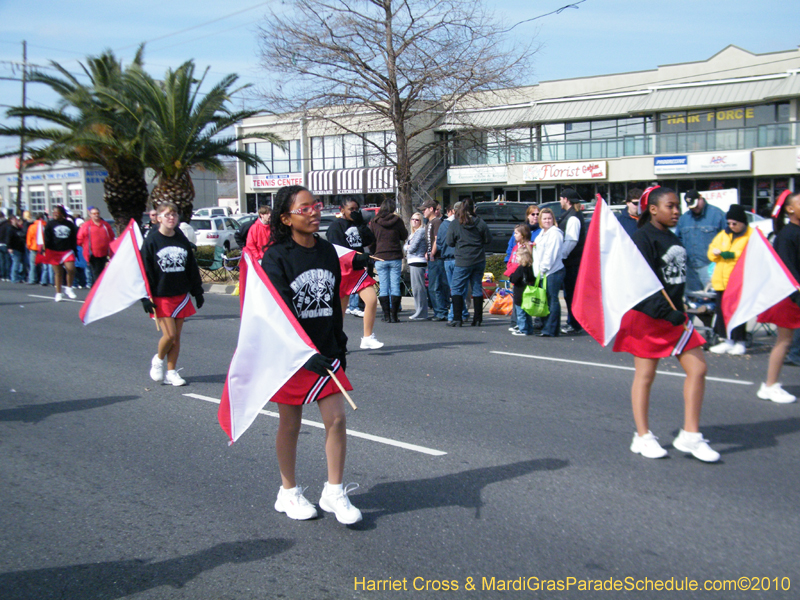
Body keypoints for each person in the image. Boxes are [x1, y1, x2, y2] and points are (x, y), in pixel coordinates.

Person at [262, 185, 362, 525]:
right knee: (290, 424)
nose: (314, 212)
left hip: (325, 350)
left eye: (316, 206)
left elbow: (334, 300)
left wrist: (339, 341)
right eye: (304, 209)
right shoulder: (276, 256)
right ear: (286, 218)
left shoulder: (326, 251)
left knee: (336, 418)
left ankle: (333, 492)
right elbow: (277, 310)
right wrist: (301, 353)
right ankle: (288, 491)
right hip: (290, 355)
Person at [613, 187, 720, 462]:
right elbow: (638, 286)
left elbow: (676, 280)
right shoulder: (641, 238)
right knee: (646, 376)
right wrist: (664, 311)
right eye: (670, 206)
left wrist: (682, 308)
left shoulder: (672, 237)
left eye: (677, 207)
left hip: (674, 316)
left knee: (698, 368)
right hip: (648, 317)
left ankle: (690, 435)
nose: (676, 211)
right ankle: (642, 435)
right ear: (653, 209)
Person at [140, 202, 205, 387]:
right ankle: (158, 360)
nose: (171, 217)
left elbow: (191, 266)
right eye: (167, 214)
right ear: (159, 217)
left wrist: (197, 291)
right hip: (160, 295)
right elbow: (143, 270)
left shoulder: (181, 239)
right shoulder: (152, 240)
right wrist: (144, 296)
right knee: (169, 335)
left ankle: (171, 372)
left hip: (181, 294)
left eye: (174, 214)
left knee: (176, 338)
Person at [754, 191, 800, 404]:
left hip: (793, 294)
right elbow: (787, 268)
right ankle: (770, 385)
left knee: (785, 341)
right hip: (789, 295)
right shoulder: (788, 234)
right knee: (784, 341)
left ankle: (770, 385)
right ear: (790, 209)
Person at [325, 197, 384, 349]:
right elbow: (338, 251)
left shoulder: (357, 225)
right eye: (351, 209)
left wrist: (361, 224)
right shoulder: (335, 227)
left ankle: (367, 337)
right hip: (342, 272)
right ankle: (334, 341)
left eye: (356, 209)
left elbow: (369, 240)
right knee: (340, 312)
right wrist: (357, 258)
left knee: (371, 300)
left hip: (357, 271)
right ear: (342, 210)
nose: (354, 212)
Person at [707, 204, 753, 356]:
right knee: (722, 312)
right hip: (721, 281)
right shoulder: (723, 234)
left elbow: (743, 255)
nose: (731, 226)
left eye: (735, 223)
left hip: (739, 282)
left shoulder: (751, 235)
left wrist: (726, 254)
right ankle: (726, 340)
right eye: (729, 223)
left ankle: (740, 341)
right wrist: (717, 253)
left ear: (743, 222)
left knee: (738, 312)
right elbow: (711, 252)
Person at [445, 197, 492, 327]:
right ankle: (477, 319)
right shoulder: (480, 223)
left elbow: (449, 241)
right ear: (473, 209)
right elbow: (488, 239)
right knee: (476, 287)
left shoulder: (455, 223)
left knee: (456, 288)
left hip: (462, 259)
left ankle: (457, 318)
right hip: (478, 259)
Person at [675, 189, 726, 293]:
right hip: (690, 270)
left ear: (701, 198)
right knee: (694, 302)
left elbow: (727, 239)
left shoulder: (717, 215)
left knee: (713, 299)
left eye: (696, 204)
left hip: (711, 268)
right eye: (691, 206)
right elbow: (678, 240)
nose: (694, 208)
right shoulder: (684, 218)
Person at [368, 198, 408, 323]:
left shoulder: (374, 222)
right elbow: (404, 235)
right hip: (395, 255)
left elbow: (371, 241)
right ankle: (395, 316)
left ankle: (386, 315)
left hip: (380, 256)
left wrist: (374, 252)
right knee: (395, 285)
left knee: (384, 286)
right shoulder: (398, 221)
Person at [533, 208, 566, 337]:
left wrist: (544, 268)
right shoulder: (542, 233)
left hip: (552, 271)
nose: (547, 221)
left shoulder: (555, 233)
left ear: (553, 219)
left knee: (552, 300)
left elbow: (551, 254)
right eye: (544, 218)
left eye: (549, 218)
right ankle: (547, 327)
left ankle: (551, 329)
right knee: (546, 300)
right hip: (543, 272)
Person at [558, 188, 586, 334]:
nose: (560, 201)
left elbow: (571, 240)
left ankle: (574, 324)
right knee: (569, 293)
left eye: (561, 198)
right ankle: (573, 322)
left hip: (572, 262)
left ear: (567, 200)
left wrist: (561, 256)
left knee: (571, 294)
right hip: (571, 261)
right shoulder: (570, 215)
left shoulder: (573, 218)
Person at [437, 203, 468, 324]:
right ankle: (457, 313)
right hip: (460, 259)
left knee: (454, 289)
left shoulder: (443, 225)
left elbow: (439, 242)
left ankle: (458, 313)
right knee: (460, 289)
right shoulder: (462, 225)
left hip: (447, 259)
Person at [42, 205, 78, 302]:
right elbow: (46, 238)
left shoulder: (69, 224)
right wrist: (45, 250)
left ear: (62, 214)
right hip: (54, 251)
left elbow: (73, 237)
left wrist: (74, 248)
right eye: (53, 213)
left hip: (67, 250)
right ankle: (58, 293)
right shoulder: (50, 224)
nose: (54, 214)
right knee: (58, 273)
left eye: (56, 213)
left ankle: (69, 288)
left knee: (71, 269)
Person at [421, 200, 448, 321]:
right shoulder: (429, 222)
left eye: (424, 209)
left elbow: (437, 239)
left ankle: (441, 312)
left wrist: (432, 252)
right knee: (433, 285)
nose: (423, 212)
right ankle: (439, 311)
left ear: (431, 209)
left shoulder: (436, 221)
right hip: (432, 258)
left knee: (435, 286)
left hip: (437, 258)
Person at [77, 206, 116, 284]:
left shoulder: (105, 225)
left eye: (97, 213)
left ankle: (96, 289)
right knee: (96, 272)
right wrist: (86, 247)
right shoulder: (86, 226)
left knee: (102, 272)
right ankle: (96, 290)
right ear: (90, 215)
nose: (96, 215)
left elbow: (111, 237)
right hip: (92, 254)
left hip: (105, 253)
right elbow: (79, 240)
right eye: (94, 213)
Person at [509, 237, 535, 336]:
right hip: (528, 292)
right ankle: (529, 328)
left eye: (518, 257)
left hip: (520, 292)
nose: (517, 258)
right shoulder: (530, 267)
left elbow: (514, 279)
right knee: (527, 313)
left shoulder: (520, 268)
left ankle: (523, 329)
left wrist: (511, 277)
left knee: (520, 313)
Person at [405, 212, 429, 320]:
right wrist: (408, 247)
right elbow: (405, 246)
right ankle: (418, 310)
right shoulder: (412, 234)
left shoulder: (420, 231)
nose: (414, 221)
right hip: (412, 261)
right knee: (415, 288)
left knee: (418, 288)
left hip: (418, 261)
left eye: (417, 220)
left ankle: (421, 312)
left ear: (421, 221)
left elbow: (412, 247)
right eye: (413, 219)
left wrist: (408, 247)